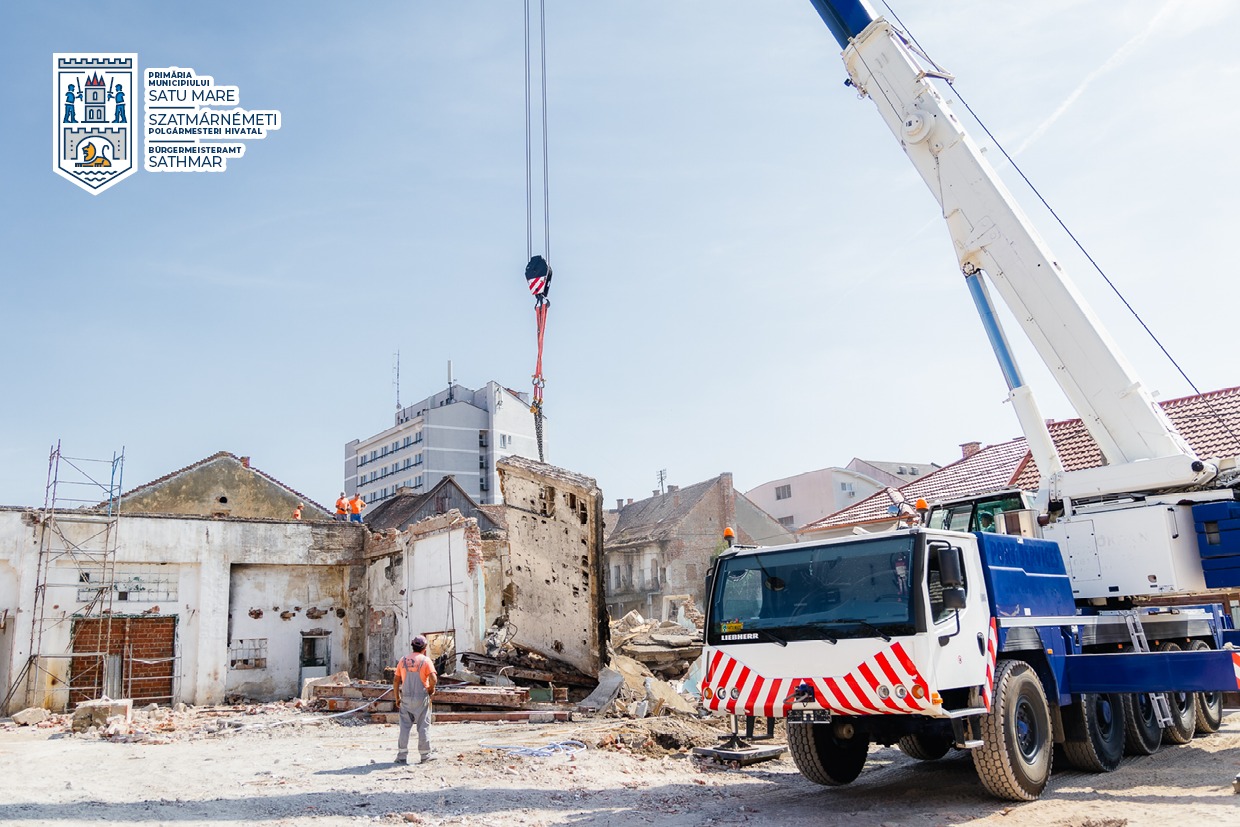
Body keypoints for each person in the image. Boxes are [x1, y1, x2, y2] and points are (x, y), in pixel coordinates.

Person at [393, 635, 437, 765]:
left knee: (404, 727)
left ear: (412, 646)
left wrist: (397, 697)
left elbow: (396, 681)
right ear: (425, 648)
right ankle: (425, 755)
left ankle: (401, 756)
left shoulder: (403, 660)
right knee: (423, 726)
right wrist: (431, 689)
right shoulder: (426, 661)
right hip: (421, 697)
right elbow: (434, 679)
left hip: (406, 698)